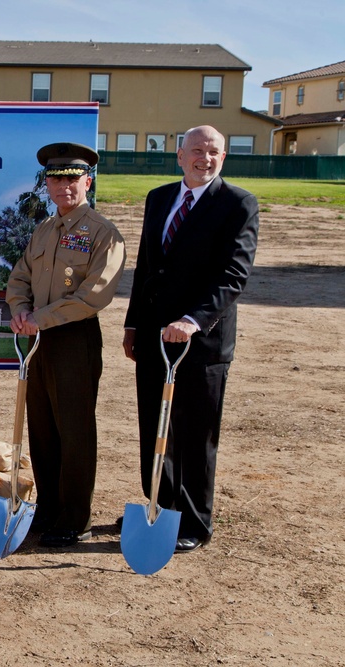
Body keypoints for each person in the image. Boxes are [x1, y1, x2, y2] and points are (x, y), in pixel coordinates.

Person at [123, 125, 258, 553]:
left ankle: (194, 523)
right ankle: (160, 508)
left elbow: (233, 275)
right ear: (180, 156)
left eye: (214, 151)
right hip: (153, 337)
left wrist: (193, 319)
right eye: (197, 150)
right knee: (155, 426)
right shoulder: (159, 198)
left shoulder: (237, 204)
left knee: (194, 434)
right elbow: (145, 267)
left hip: (201, 341)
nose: (205, 157)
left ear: (223, 158)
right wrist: (132, 324)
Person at [5, 142, 126, 547]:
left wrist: (42, 317)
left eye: (72, 179)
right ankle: (50, 508)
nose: (64, 187)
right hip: (37, 340)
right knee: (41, 428)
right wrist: (21, 309)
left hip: (74, 338)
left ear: (87, 182)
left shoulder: (103, 233)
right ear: (47, 186)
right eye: (56, 180)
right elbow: (20, 276)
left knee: (74, 430)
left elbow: (94, 294)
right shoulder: (43, 229)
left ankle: (75, 518)